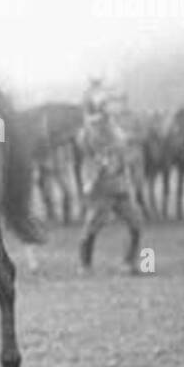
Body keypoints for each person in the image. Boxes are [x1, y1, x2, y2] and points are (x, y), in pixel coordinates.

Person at [76, 91, 143, 275]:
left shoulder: (112, 125)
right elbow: (95, 149)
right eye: (106, 104)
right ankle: (84, 265)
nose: (111, 106)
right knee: (91, 228)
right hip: (101, 187)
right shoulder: (92, 129)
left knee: (136, 223)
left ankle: (129, 263)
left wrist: (126, 145)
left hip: (120, 187)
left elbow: (122, 146)